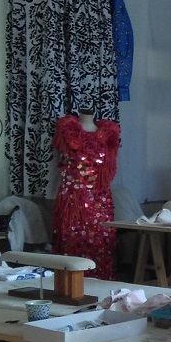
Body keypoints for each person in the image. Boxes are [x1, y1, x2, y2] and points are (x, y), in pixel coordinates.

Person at [51, 107, 120, 279]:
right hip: (72, 200)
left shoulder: (109, 134)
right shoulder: (66, 130)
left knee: (101, 246)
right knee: (70, 244)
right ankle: (68, 285)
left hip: (100, 203)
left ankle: (101, 283)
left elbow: (109, 169)